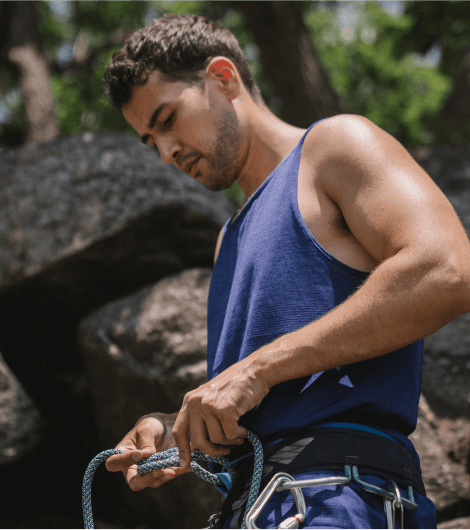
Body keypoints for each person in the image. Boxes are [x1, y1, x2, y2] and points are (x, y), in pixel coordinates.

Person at [102, 13, 470, 530]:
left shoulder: (334, 146)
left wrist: (259, 368)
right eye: (150, 141)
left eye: (167, 120)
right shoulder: (228, 240)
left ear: (223, 78)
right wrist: (174, 428)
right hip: (252, 507)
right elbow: (266, 400)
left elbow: (447, 270)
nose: (166, 153)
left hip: (338, 499)